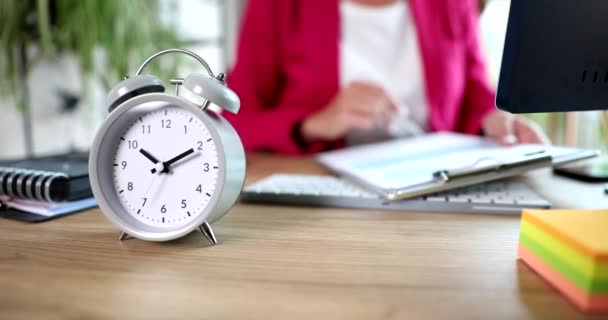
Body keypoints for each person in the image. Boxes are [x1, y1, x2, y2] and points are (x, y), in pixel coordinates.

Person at [223, 0, 548, 155]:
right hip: (317, 202)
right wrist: (314, 124)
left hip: (435, 197)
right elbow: (233, 123)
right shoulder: (278, 7)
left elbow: (477, 104)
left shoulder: (454, 6)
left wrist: (494, 124)